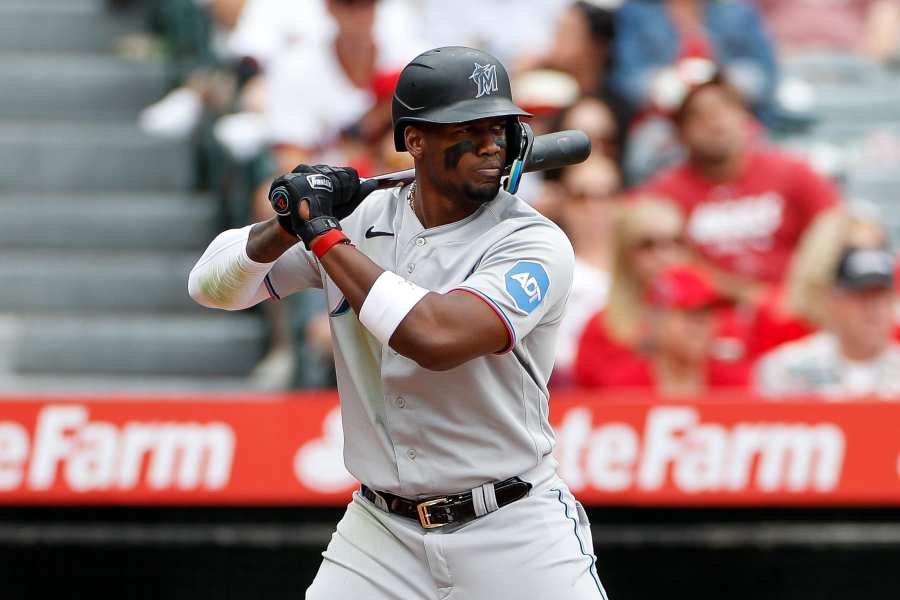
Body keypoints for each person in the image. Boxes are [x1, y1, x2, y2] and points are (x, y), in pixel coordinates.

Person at [188, 47, 607, 599]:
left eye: (502, 127)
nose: (491, 144)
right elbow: (212, 286)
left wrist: (323, 234)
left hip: (513, 528)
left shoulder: (532, 241)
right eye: (468, 128)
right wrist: (287, 222)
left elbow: (434, 336)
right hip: (382, 532)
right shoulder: (361, 219)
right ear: (415, 141)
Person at [640, 76, 841, 302]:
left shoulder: (792, 171)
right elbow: (645, 253)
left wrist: (802, 292)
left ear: (745, 116)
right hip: (704, 316)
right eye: (697, 115)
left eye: (723, 109)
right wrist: (745, 293)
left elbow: (839, 225)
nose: (714, 123)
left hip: (793, 310)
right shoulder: (662, 193)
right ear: (680, 132)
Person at [755, 247, 900, 398]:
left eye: (883, 298)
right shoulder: (788, 368)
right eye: (862, 297)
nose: (873, 309)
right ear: (834, 301)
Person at [552, 154, 620, 384]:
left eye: (605, 196)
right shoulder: (550, 272)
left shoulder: (644, 264)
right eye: (581, 197)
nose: (594, 207)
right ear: (563, 202)